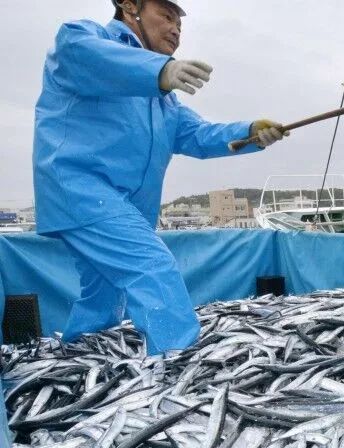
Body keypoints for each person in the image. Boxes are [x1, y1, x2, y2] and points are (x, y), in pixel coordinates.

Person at [33, 0, 287, 355]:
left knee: (104, 294)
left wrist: (250, 133)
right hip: (80, 191)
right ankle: (175, 374)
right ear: (129, 6)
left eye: (180, 25)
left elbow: (200, 134)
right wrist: (162, 71)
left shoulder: (164, 103)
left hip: (121, 206)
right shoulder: (81, 38)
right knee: (152, 268)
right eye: (166, 16)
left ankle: (74, 357)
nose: (175, 30)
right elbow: (88, 56)